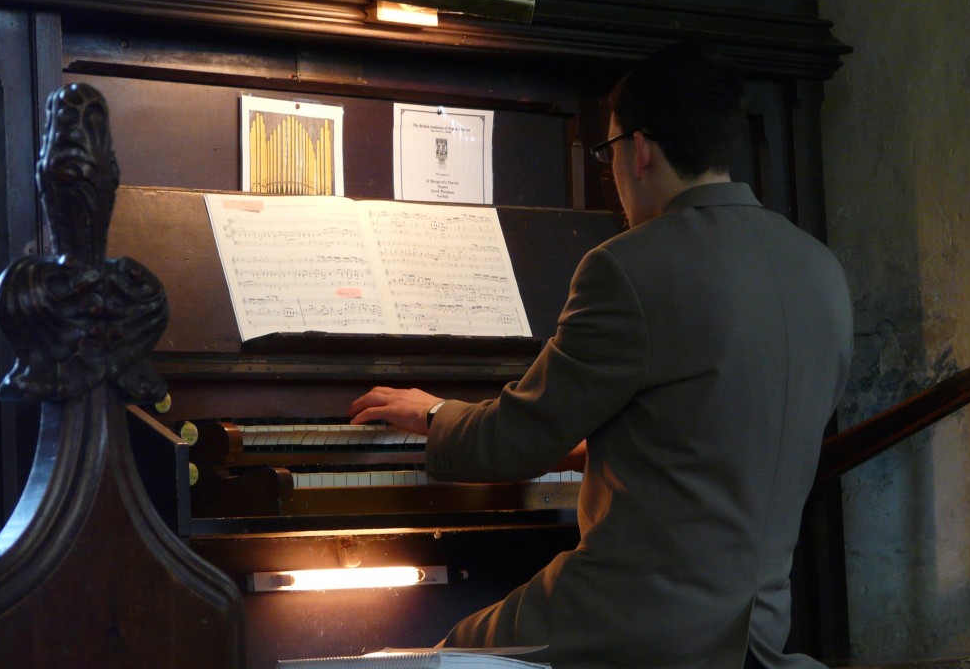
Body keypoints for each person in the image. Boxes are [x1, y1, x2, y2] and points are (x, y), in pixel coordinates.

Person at [348, 41, 853, 669]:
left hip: (638, 623)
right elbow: (720, 427)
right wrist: (607, 442)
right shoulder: (820, 269)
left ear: (638, 149)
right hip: (756, 627)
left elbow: (514, 443)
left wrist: (434, 413)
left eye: (607, 150)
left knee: (439, 656)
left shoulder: (629, 265)